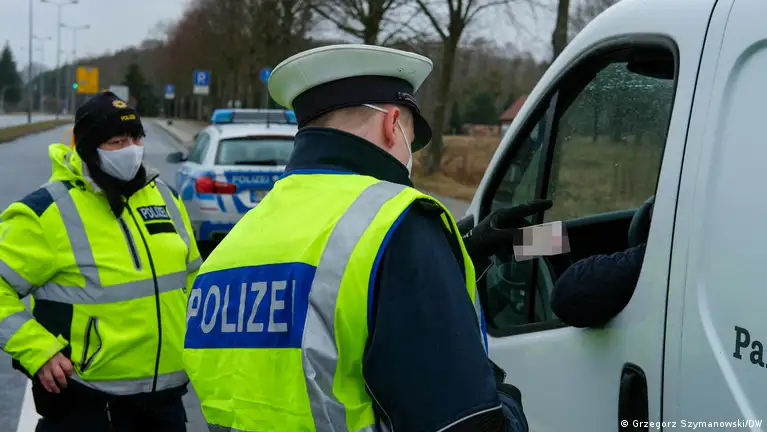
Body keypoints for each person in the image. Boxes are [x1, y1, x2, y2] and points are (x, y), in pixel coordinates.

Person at [184, 44, 540, 432]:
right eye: (410, 137)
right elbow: (465, 422)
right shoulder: (398, 222)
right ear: (392, 123)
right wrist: (505, 400)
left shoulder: (233, 246)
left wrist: (457, 258)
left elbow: (330, 309)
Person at [0, 91, 201, 431]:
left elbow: (195, 279)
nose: (131, 149)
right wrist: (37, 350)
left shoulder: (165, 197)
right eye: (117, 141)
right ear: (89, 149)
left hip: (166, 404)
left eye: (136, 138)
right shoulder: (47, 212)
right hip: (88, 406)